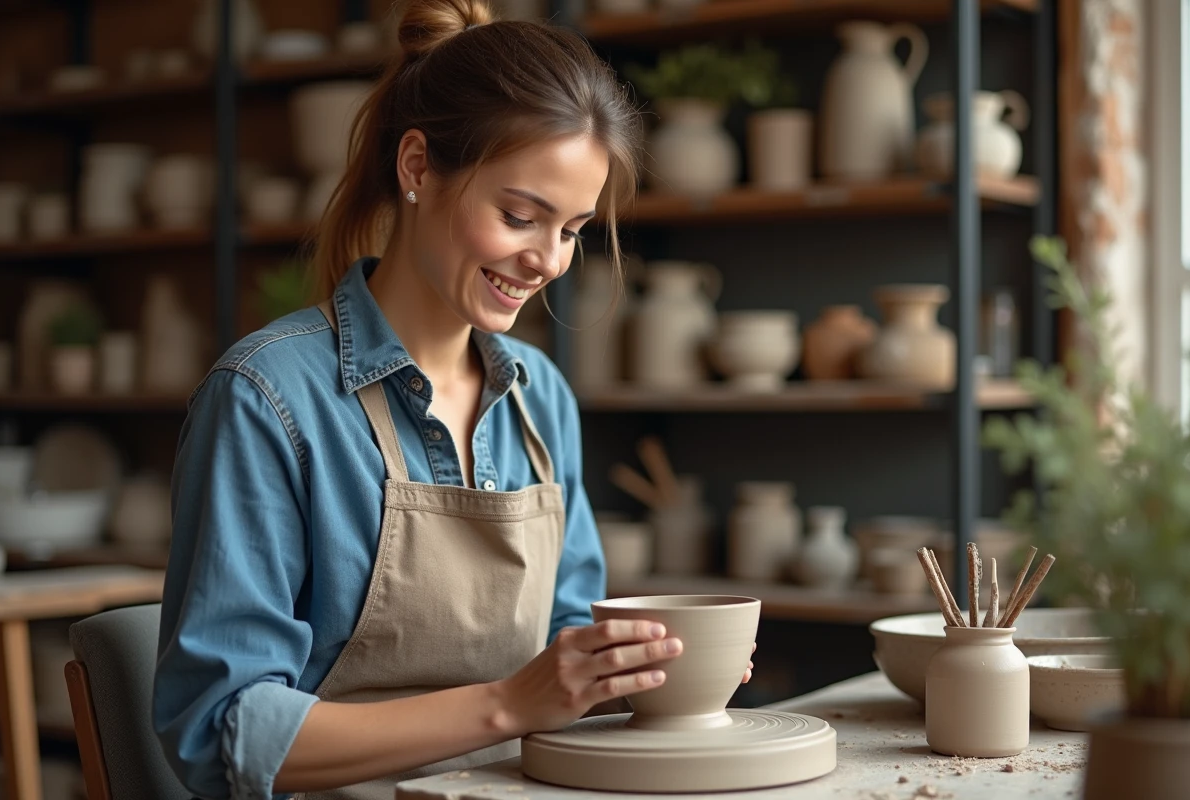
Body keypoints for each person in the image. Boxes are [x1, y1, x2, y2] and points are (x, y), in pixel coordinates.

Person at [153, 1, 753, 798]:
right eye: (519, 216)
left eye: (571, 229)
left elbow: (567, 648)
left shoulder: (542, 401)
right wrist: (508, 705)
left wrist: (643, 671)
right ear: (415, 169)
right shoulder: (268, 398)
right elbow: (219, 729)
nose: (546, 260)